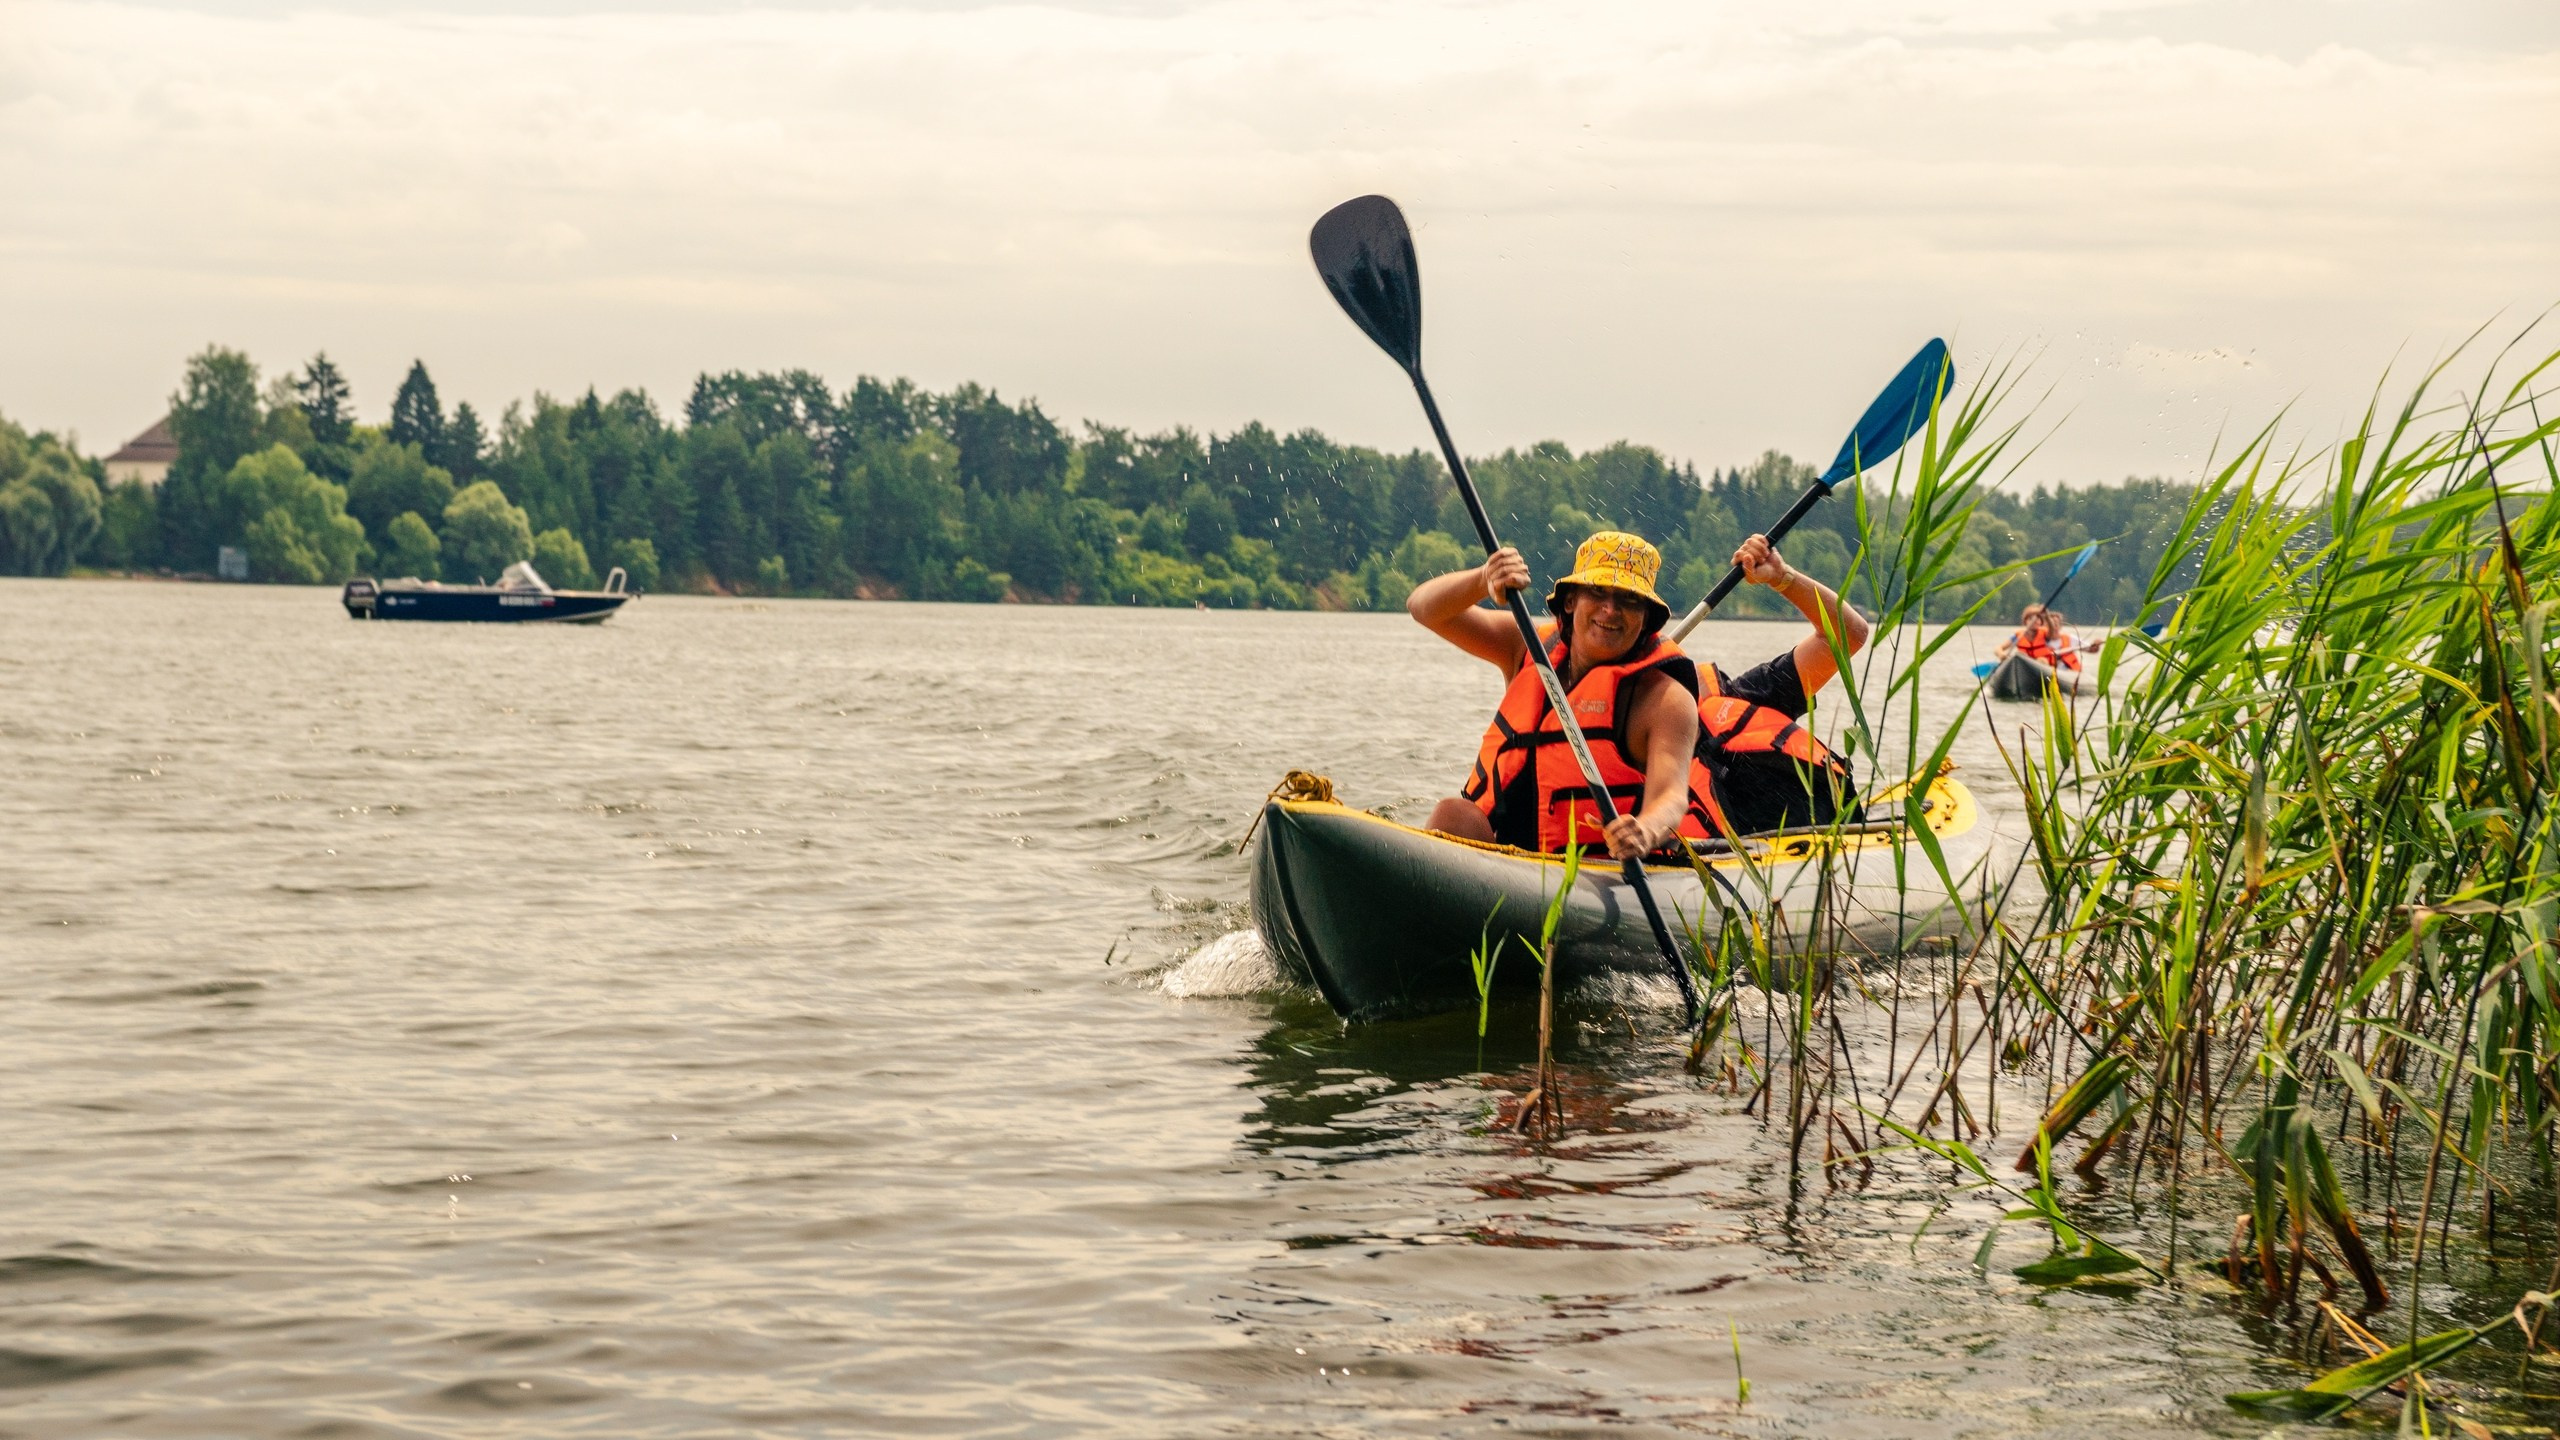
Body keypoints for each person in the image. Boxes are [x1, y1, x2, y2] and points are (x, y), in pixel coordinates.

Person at [1410, 530, 1871, 860]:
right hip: (1511, 850)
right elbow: (1424, 607)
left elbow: (1671, 798)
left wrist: (1783, 578)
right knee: (1454, 813)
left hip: (1605, 861)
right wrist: (1481, 579)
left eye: (1629, 601)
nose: (1611, 610)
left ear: (1647, 619)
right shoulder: (1528, 646)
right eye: (1598, 594)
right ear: (1570, 601)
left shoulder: (1679, 697)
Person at [1996, 604, 2083, 672]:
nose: (2035, 621)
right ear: (2025, 621)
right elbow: (1999, 648)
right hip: (2023, 666)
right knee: (2020, 655)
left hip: (2041, 666)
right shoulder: (2018, 635)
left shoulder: (2044, 633)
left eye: (2038, 619)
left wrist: (2047, 617)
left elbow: (2051, 630)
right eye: (2031, 618)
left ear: (2041, 621)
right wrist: (2001, 654)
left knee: (2042, 660)